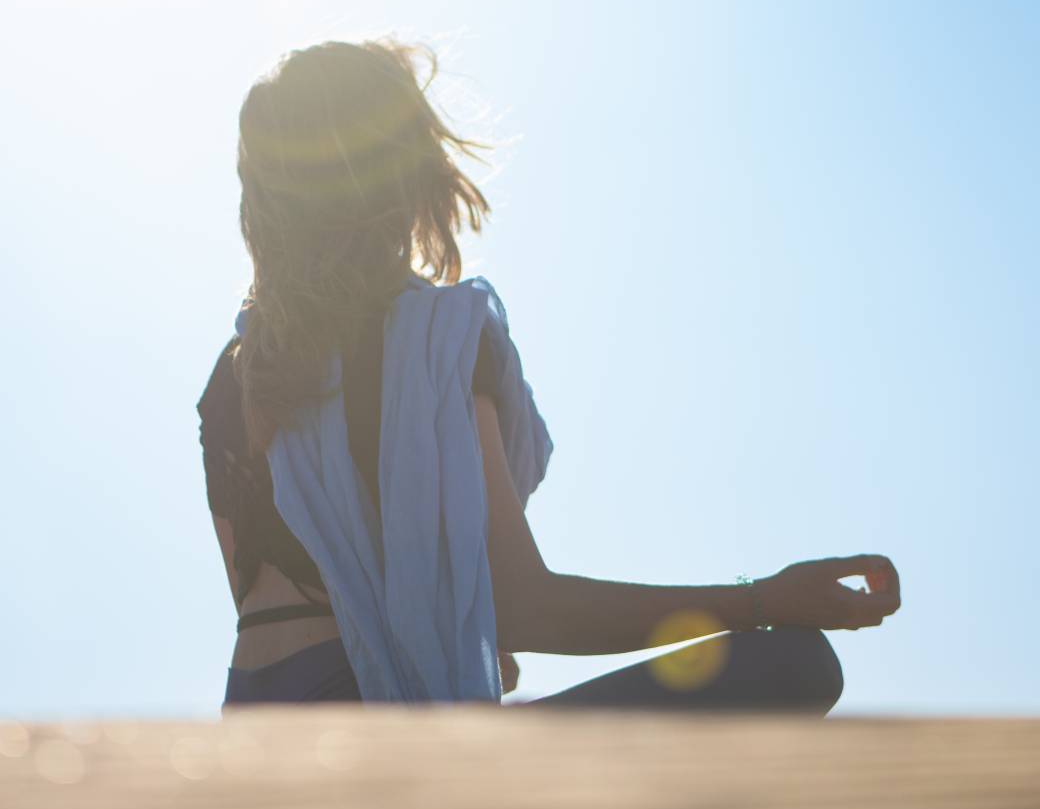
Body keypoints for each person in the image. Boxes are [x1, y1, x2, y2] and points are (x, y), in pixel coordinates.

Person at [197, 38, 900, 715]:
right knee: (793, 663)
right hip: (386, 744)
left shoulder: (238, 375)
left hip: (255, 743)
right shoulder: (438, 343)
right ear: (405, 171)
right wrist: (762, 600)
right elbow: (526, 606)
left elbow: (271, 618)